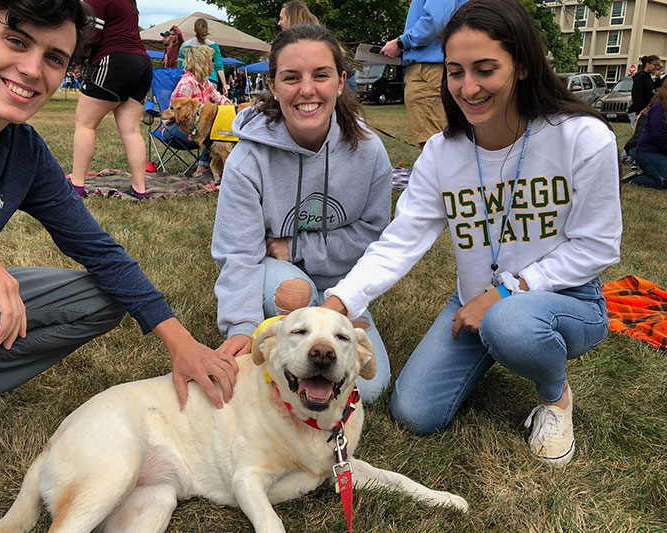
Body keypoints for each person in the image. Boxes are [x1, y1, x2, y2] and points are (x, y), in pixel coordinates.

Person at [0, 1, 238, 531]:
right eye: (17, 42)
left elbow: (101, 251)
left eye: (55, 57)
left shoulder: (24, 152)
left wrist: (180, 341)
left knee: (102, 295)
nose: (33, 70)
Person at [323, 0, 622, 468]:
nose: (468, 87)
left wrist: (506, 293)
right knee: (414, 413)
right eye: (455, 71)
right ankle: (500, 337)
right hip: (473, 301)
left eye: (485, 70)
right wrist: (339, 302)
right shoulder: (443, 153)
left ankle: (554, 395)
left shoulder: (582, 137)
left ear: (522, 66)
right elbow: (400, 242)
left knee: (512, 323)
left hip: (567, 301)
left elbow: (597, 245)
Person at [212, 24, 393, 402]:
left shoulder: (370, 152)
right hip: (276, 277)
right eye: (291, 78)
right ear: (274, 86)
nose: (307, 90)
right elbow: (239, 253)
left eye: (321, 75)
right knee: (296, 292)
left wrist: (295, 248)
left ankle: (314, 327)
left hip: (342, 286)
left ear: (341, 81)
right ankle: (293, 328)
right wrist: (242, 330)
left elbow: (375, 238)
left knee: (370, 388)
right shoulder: (247, 158)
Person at [69, 0, 152, 199]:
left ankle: (77, 185)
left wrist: (78, 60)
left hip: (115, 59)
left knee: (85, 124)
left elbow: (90, 33)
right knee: (131, 131)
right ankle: (139, 188)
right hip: (142, 62)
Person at [380, 0, 468, 147]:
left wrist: (401, 43)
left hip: (429, 71)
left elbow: (436, 19)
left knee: (432, 145)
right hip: (440, 68)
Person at [162, 44, 231, 180]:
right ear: (202, 63)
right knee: (212, 130)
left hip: (195, 128)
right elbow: (179, 117)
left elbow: (219, 98)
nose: (213, 63)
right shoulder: (187, 83)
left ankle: (219, 168)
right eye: (211, 60)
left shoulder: (204, 81)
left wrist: (231, 107)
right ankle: (202, 170)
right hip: (175, 129)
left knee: (219, 128)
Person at [630, 86, 667, 189]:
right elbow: (659, 136)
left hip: (662, 151)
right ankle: (634, 180)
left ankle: (652, 173)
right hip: (649, 151)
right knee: (664, 181)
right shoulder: (659, 108)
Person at [628, 55, 662, 128]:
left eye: (658, 66)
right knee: (639, 135)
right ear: (647, 64)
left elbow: (657, 91)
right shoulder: (641, 76)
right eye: (655, 65)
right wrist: (639, 112)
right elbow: (636, 95)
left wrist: (658, 79)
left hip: (646, 112)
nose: (657, 68)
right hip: (638, 112)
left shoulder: (648, 77)